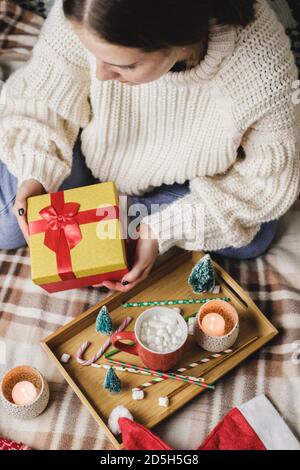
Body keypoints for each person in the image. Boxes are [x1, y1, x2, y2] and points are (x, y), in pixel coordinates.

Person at [0, 0, 299, 292]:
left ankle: (118, 216)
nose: (101, 75)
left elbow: (266, 182)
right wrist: (36, 171)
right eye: (93, 55)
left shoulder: (262, 65)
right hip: (91, 141)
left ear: (178, 40)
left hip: (187, 175)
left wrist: (161, 231)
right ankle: (116, 215)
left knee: (256, 238)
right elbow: (44, 97)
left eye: (123, 65)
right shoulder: (86, 8)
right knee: (9, 224)